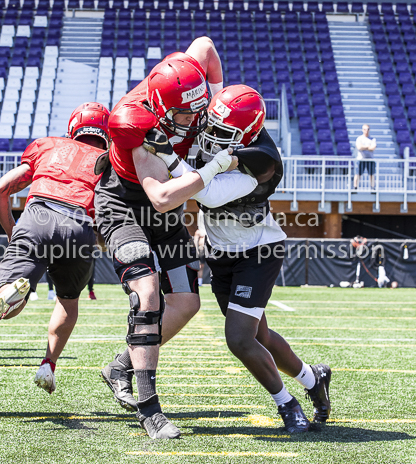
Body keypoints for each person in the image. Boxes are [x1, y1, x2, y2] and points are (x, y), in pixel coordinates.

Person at [95, 37, 250, 440]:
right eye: (187, 114)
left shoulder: (185, 78)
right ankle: (149, 408)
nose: (197, 118)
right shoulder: (135, 124)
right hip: (127, 204)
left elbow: (205, 45)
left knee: (186, 302)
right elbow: (162, 198)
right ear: (162, 111)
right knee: (146, 292)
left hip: (165, 207)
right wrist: (215, 165)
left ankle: (120, 366)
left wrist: (214, 96)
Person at [153, 85, 331, 432]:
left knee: (239, 338)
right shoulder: (216, 140)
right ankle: (313, 379)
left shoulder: (255, 168)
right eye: (211, 126)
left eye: (224, 134)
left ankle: (287, 405)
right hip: (222, 255)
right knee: (259, 337)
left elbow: (206, 191)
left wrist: (170, 157)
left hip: (257, 253)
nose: (212, 136)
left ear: (246, 138)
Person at [0, 102, 111, 394]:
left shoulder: (49, 147)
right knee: (68, 301)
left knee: (10, 304)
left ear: (72, 128)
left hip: (38, 216)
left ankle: (11, 291)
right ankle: (48, 364)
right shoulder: (109, 161)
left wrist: (13, 231)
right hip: (80, 226)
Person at [354, 124, 377, 190]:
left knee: (371, 174)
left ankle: (372, 188)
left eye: (367, 129)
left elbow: (373, 147)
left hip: (370, 160)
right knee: (358, 174)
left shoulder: (373, 139)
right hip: (361, 159)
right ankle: (355, 187)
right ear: (362, 130)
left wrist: (364, 147)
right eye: (364, 129)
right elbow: (359, 147)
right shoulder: (359, 138)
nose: (366, 131)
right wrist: (368, 147)